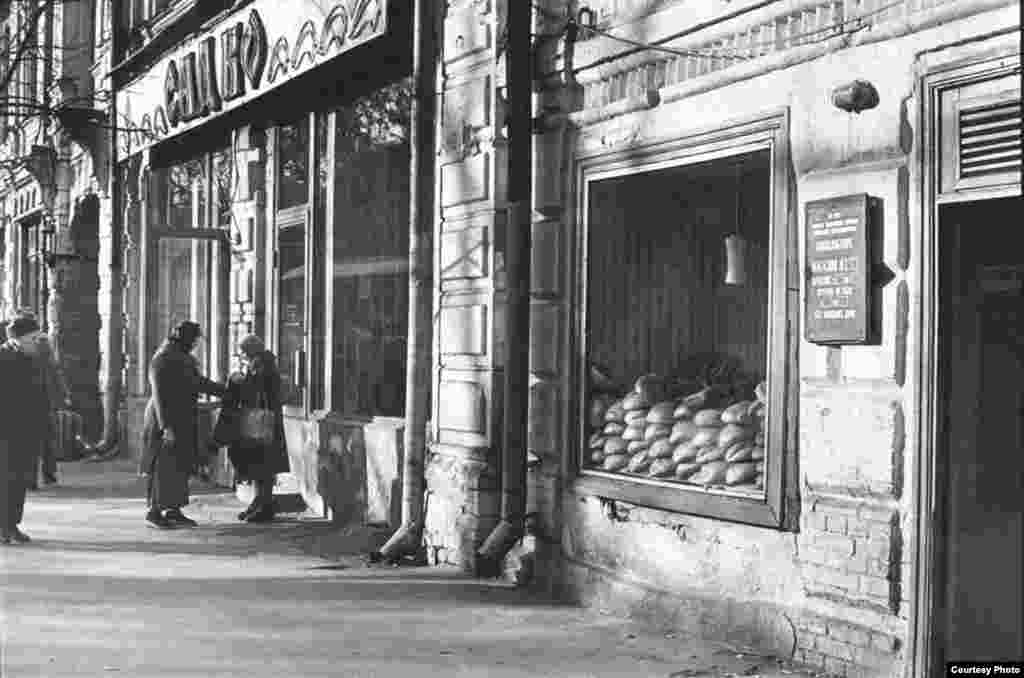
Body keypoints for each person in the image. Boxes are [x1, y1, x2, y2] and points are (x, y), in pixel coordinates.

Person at [141, 321, 225, 529]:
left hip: (181, 418)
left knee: (180, 466)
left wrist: (227, 391)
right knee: (163, 467)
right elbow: (159, 394)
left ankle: (174, 510)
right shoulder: (163, 358)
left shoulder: (180, 357)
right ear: (185, 338)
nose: (195, 344)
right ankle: (154, 512)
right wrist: (166, 427)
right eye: (194, 340)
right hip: (165, 420)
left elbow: (198, 383)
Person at [219, 334, 290, 523]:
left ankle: (264, 505)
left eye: (243, 351)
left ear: (250, 350)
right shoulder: (261, 362)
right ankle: (259, 502)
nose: (242, 355)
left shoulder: (263, 364)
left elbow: (257, 389)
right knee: (260, 465)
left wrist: (239, 381)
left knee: (264, 466)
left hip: (263, 423)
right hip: (263, 421)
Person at [0, 313, 51, 544]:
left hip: (26, 429)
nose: (37, 342)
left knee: (20, 480)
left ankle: (12, 524)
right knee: (6, 480)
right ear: (17, 339)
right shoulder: (3, 358)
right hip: (6, 431)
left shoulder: (33, 357)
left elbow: (40, 390)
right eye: (33, 338)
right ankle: (3, 526)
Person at [35, 332, 72, 486]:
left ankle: (36, 476)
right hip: (47, 406)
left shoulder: (31, 361)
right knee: (48, 442)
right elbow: (59, 381)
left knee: (39, 442)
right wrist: (65, 397)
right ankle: (49, 475)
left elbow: (58, 381)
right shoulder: (50, 363)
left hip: (39, 406)